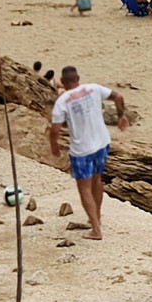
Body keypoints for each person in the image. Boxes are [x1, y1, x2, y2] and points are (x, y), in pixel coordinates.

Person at [49, 66, 128, 241]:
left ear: (62, 82)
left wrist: (54, 145)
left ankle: (96, 230)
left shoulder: (63, 101)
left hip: (82, 150)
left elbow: (55, 130)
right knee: (97, 179)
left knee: (84, 188)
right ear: (78, 77)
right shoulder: (94, 88)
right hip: (102, 143)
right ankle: (96, 217)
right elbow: (118, 97)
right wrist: (121, 116)